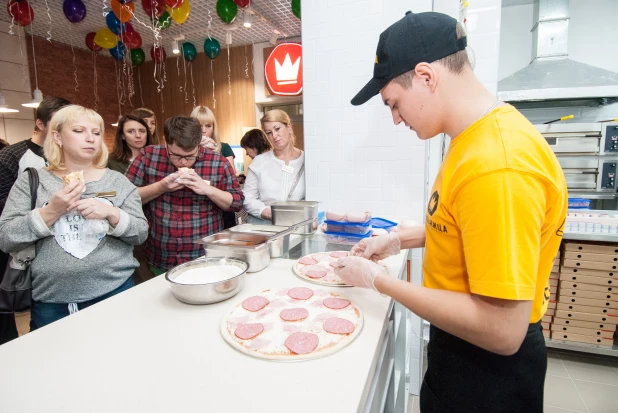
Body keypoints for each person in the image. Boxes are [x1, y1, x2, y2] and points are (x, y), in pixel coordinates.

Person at [335, 12, 567, 413]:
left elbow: (501, 330)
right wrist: (399, 238)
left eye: (393, 103)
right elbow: (469, 225)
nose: (395, 118)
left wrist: (377, 282)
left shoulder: (497, 164)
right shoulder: (471, 138)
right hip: (460, 350)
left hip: (489, 373)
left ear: (425, 77)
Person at [0, 105, 148, 330]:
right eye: (79, 131)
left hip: (116, 291)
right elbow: (7, 237)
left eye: (96, 133)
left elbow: (140, 233)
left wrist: (112, 214)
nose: (90, 138)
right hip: (52, 301)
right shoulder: (33, 181)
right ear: (57, 136)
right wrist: (51, 211)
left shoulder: (117, 181)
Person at [125, 116, 244, 274]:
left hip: (204, 256)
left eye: (189, 156)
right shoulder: (149, 156)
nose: (183, 162)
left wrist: (207, 189)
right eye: (175, 155)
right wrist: (160, 187)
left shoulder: (218, 162)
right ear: (165, 142)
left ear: (198, 143)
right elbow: (126, 198)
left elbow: (237, 203)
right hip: (160, 256)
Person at [0, 96, 70, 344]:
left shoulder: (71, 158)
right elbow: (7, 216)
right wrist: (49, 210)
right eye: (58, 123)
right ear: (40, 124)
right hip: (31, 252)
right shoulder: (12, 156)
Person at [242, 110, 305, 224]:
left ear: (289, 127)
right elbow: (247, 197)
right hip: (264, 229)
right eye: (269, 132)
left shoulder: (306, 161)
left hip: (296, 227)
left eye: (277, 129)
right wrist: (266, 212)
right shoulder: (259, 162)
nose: (275, 136)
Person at [190, 105, 237, 229]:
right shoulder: (185, 152)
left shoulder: (224, 148)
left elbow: (232, 184)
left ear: (213, 127)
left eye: (208, 126)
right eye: (199, 126)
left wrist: (216, 155)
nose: (203, 130)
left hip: (222, 208)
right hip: (195, 208)